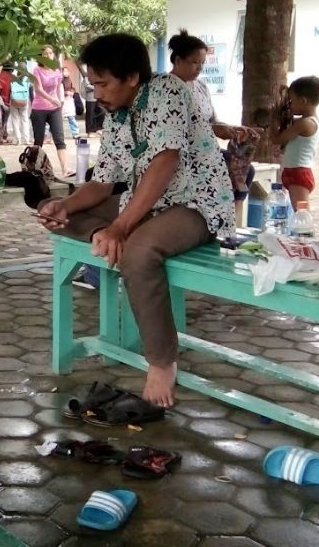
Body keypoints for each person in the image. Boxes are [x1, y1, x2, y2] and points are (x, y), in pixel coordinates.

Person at [37, 33, 234, 407]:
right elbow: (103, 183)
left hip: (195, 204)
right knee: (63, 209)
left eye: (102, 84)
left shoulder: (167, 92)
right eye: (92, 85)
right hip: (145, 205)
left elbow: (164, 163)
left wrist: (122, 226)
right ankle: (102, 234)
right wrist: (67, 206)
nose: (97, 94)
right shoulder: (117, 116)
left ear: (131, 77)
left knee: (138, 253)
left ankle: (161, 362)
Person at [167, 29, 239, 141]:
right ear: (178, 60)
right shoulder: (165, 88)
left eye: (202, 62)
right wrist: (211, 129)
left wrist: (234, 129)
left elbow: (213, 121)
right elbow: (171, 129)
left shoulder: (201, 86)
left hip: (207, 153)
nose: (200, 68)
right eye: (195, 62)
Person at [271, 75, 319, 209]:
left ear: (303, 101)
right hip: (294, 171)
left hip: (299, 173)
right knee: (299, 211)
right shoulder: (303, 121)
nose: (290, 104)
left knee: (302, 212)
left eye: (292, 101)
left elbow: (277, 139)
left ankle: (306, 231)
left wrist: (272, 120)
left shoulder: (306, 123)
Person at [30, 47, 71, 177]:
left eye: (50, 53)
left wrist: (61, 101)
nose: (48, 55)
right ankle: (34, 168)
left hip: (54, 110)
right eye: (45, 53)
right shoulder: (36, 70)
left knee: (60, 139)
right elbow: (38, 90)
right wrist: (53, 100)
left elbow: (59, 86)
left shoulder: (57, 70)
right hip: (39, 108)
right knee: (39, 141)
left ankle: (65, 169)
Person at [6, 70, 31, 145]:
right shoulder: (27, 82)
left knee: (15, 120)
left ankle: (18, 139)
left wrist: (7, 102)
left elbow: (9, 93)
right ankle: (26, 139)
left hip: (14, 102)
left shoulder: (12, 82)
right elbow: (31, 94)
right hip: (24, 102)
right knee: (25, 120)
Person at [0, 63, 14, 142]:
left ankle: (3, 135)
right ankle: (1, 137)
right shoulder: (11, 77)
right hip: (7, 102)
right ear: (11, 69)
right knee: (4, 120)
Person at [61, 67, 80, 138]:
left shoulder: (69, 80)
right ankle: (59, 134)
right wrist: (65, 93)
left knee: (71, 117)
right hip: (62, 100)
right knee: (59, 118)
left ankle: (75, 133)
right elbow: (59, 90)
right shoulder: (60, 80)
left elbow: (72, 88)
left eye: (67, 71)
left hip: (69, 100)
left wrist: (72, 92)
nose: (66, 72)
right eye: (64, 71)